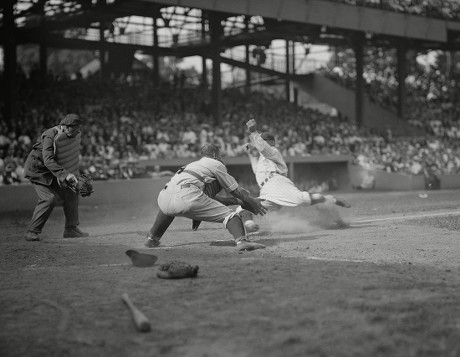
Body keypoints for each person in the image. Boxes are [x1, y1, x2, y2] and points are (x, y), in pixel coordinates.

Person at [144, 143, 267, 251]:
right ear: (214, 154)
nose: (220, 158)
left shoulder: (192, 165)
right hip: (188, 196)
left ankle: (152, 238)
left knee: (168, 209)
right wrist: (251, 201)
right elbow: (236, 190)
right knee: (232, 216)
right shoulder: (216, 163)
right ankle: (242, 242)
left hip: (164, 197)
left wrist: (237, 201)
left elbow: (209, 200)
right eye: (219, 155)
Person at [239, 118, 351, 231]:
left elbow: (263, 148)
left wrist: (254, 132)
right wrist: (250, 154)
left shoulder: (273, 151)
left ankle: (331, 199)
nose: (256, 144)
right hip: (266, 191)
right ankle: (249, 224)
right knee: (244, 207)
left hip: (277, 183)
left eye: (260, 141)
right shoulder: (263, 158)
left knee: (302, 200)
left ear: (269, 142)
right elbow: (257, 170)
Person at [23, 114, 89, 241]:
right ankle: (32, 231)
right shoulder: (50, 135)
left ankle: (71, 229)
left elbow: (68, 157)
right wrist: (65, 175)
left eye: (78, 128)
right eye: (75, 128)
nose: (77, 131)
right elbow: (48, 160)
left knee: (72, 191)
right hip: (37, 170)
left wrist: (76, 174)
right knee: (49, 198)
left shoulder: (69, 136)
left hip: (52, 170)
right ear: (65, 127)